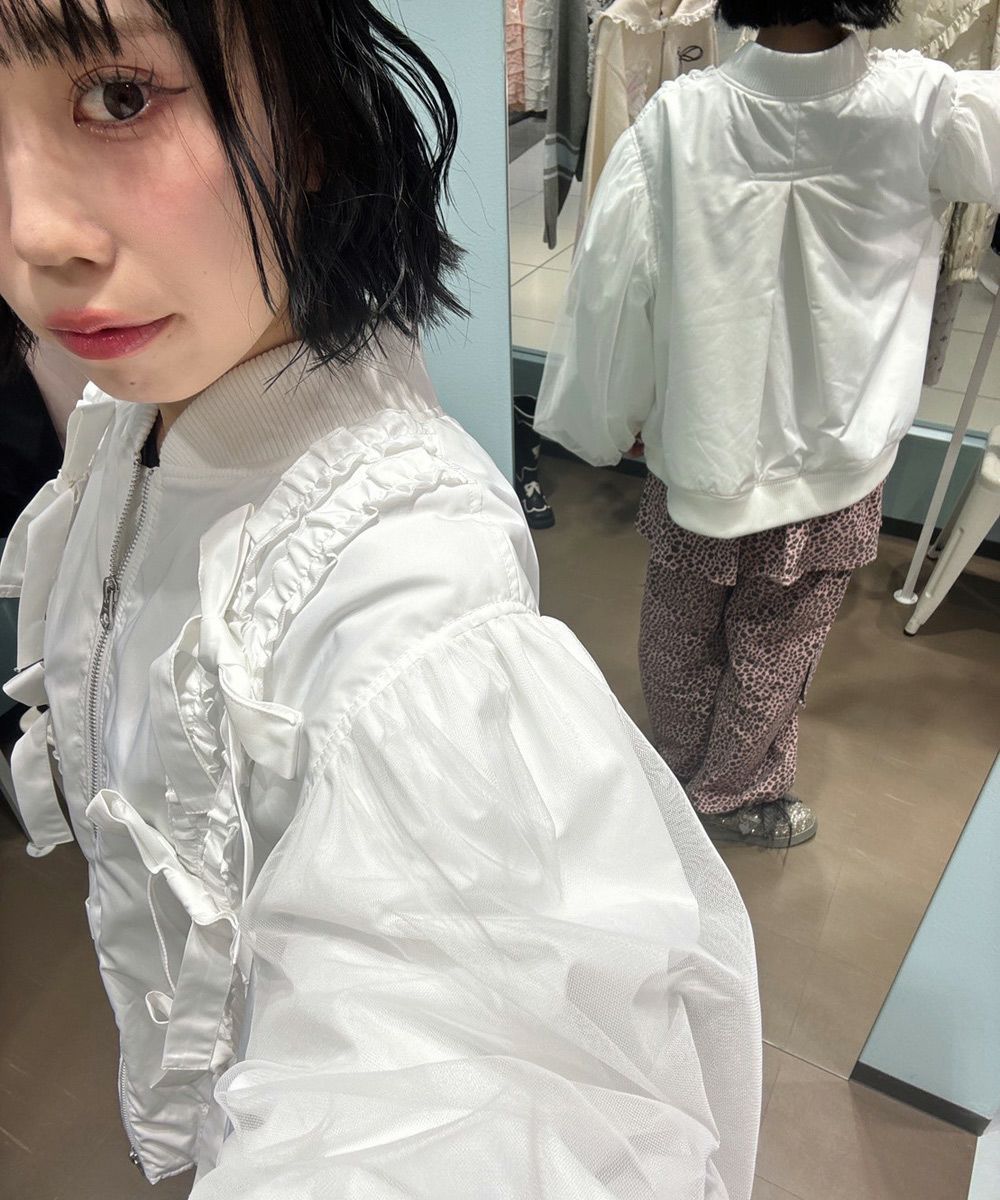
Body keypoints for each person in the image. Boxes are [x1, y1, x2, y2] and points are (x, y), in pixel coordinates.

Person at [0, 2, 760, 1196]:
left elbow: (478, 1094)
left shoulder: (415, 608)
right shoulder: (133, 412)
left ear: (311, 115)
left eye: (119, 97)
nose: (31, 235)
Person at [535, 0, 1000, 848]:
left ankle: (677, 776)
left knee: (678, 624)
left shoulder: (678, 122)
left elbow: (614, 292)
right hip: (838, 461)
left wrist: (604, 419)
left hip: (704, 447)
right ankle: (734, 793)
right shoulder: (927, 108)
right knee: (779, 642)